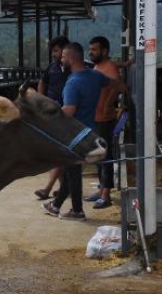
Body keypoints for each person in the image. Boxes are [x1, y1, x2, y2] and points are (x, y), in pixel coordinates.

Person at [42, 42, 125, 221]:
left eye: (63, 57)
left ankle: (77, 211)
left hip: (75, 134)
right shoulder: (94, 75)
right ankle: (55, 205)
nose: (61, 60)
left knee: (73, 172)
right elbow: (115, 84)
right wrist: (121, 99)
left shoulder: (73, 83)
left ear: (71, 58)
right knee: (72, 170)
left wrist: (51, 114)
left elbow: (69, 110)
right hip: (91, 130)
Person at [85, 36, 122, 209]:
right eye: (90, 49)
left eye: (94, 49)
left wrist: (108, 105)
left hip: (105, 120)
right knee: (98, 155)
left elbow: (118, 87)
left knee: (106, 156)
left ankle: (106, 196)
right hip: (95, 118)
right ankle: (101, 190)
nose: (91, 52)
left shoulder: (110, 67)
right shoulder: (98, 66)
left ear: (104, 51)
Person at [34, 35, 70, 201]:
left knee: (58, 152)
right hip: (52, 112)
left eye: (56, 50)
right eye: (53, 51)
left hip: (66, 114)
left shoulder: (74, 68)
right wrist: (41, 101)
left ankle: (47, 189)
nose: (54, 54)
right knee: (57, 151)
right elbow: (42, 82)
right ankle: (64, 188)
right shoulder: (52, 67)